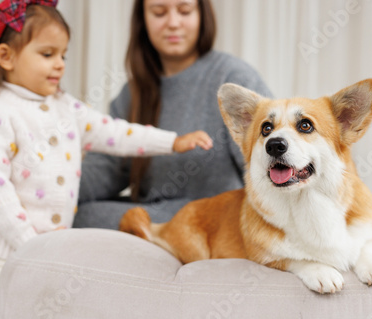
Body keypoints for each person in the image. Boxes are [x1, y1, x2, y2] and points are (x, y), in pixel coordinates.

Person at [0, 1, 212, 319]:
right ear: (6, 57)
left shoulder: (65, 107)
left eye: (63, 55)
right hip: (0, 252)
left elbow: (115, 132)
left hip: (49, 249)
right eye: (48, 54)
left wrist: (171, 142)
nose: (60, 65)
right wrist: (29, 244)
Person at [74, 0, 273, 229]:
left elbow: (267, 167)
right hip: (155, 213)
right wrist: (49, 179)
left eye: (184, 11)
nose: (173, 23)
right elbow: (105, 170)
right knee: (76, 212)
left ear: (202, 15)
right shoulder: (131, 94)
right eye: (159, 13)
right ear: (143, 19)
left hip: (215, 219)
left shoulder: (233, 78)